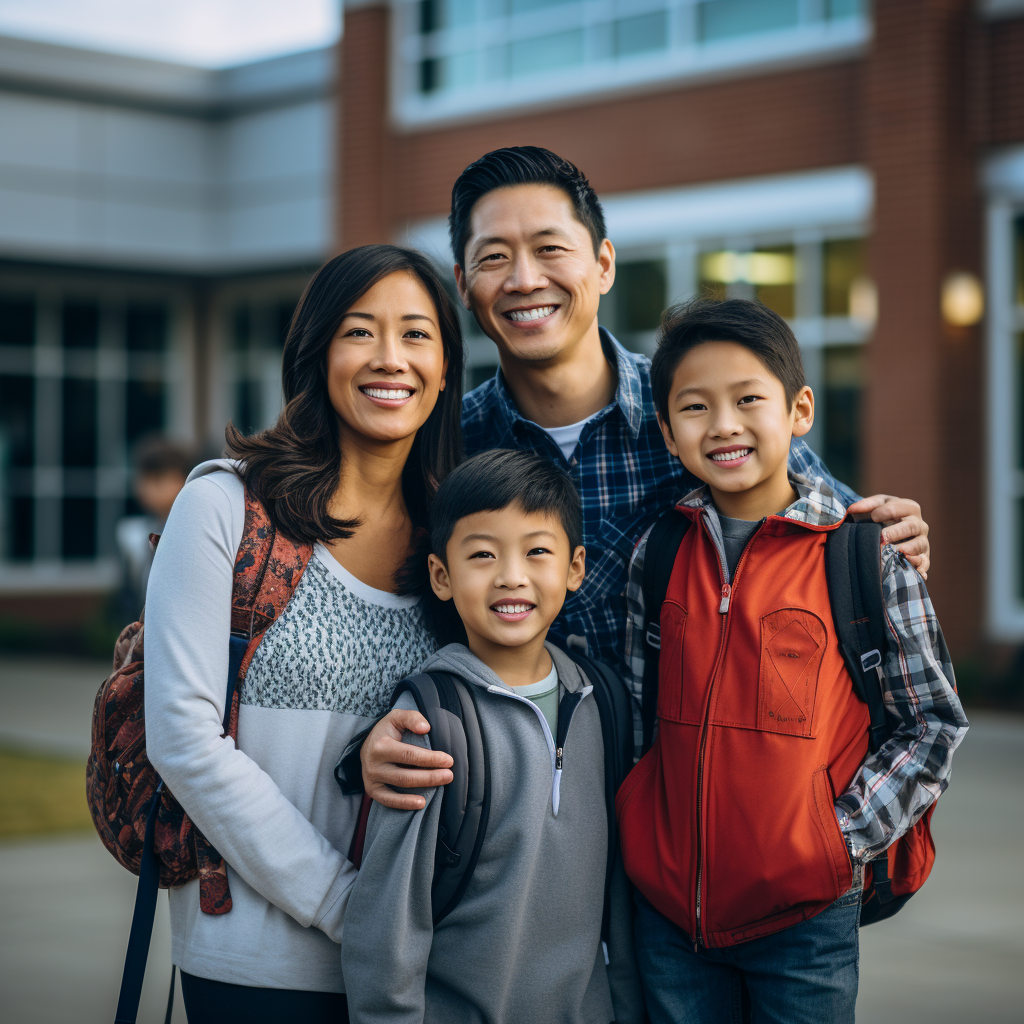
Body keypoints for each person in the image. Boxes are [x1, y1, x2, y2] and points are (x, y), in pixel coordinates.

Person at [356, 146, 933, 812]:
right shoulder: (440, 447)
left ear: (602, 265)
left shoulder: (698, 418)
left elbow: (844, 551)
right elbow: (397, 617)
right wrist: (374, 736)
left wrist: (893, 540)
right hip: (503, 818)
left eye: (550, 249)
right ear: (463, 284)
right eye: (493, 258)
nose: (523, 279)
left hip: (692, 833)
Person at [615, 298, 968, 1023]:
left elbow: (931, 725)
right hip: (671, 917)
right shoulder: (658, 557)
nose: (724, 425)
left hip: (805, 922)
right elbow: (636, 717)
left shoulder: (865, 555)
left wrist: (837, 843)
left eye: (749, 399)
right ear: (668, 432)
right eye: (695, 407)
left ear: (799, 409)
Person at [144, 245, 464, 1023]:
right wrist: (349, 906)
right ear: (317, 352)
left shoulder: (458, 534)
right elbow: (182, 737)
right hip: (260, 963)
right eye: (361, 331)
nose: (391, 359)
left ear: (448, 367)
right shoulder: (227, 507)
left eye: (417, 334)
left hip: (420, 970)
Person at [341, 449, 642, 1024]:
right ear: (441, 576)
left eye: (537, 551)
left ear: (575, 568)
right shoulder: (431, 722)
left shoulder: (598, 702)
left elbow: (619, 905)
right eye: (482, 554)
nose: (511, 575)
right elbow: (388, 922)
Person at [115, 435, 194, 615]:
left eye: (157, 480)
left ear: (180, 479)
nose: (147, 488)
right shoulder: (133, 533)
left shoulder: (192, 531)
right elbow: (128, 596)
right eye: (143, 479)